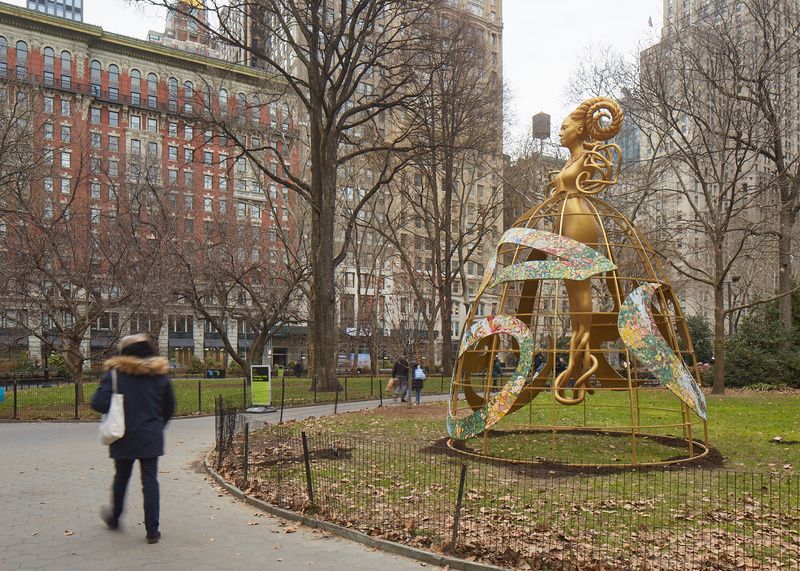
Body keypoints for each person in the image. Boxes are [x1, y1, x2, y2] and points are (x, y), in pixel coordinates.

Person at [91, 333, 175, 544]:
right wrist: (157, 426)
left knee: (122, 477)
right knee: (150, 480)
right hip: (151, 435)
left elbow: (98, 403)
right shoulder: (161, 374)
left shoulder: (116, 374)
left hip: (123, 434)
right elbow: (170, 407)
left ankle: (115, 518)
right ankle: (152, 531)